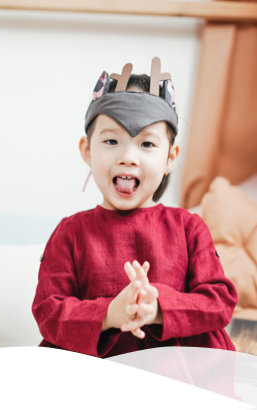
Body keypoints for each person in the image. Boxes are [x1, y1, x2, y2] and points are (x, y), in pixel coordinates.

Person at [32, 57, 238, 358]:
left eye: (146, 144)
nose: (128, 157)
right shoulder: (70, 232)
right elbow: (49, 312)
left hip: (182, 381)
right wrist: (109, 313)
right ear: (87, 151)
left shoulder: (189, 227)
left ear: (170, 158)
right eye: (112, 140)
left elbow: (219, 302)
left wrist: (158, 307)